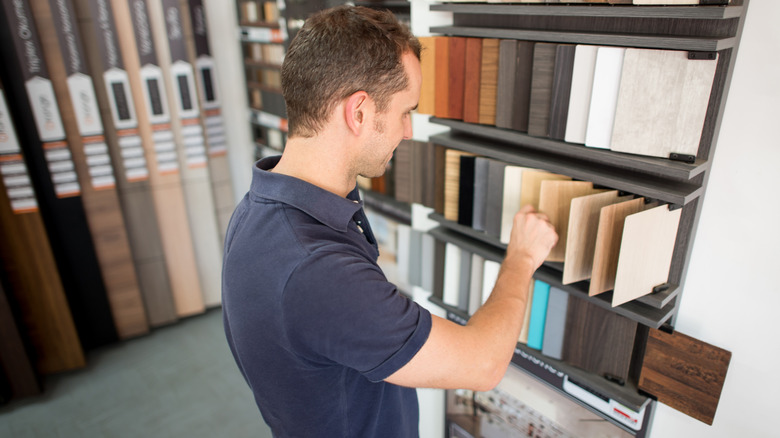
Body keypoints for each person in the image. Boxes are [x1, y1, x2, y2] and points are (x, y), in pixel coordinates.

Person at [221, 5, 558, 438]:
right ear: (358, 112)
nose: (409, 131)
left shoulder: (258, 209)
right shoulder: (315, 270)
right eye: (405, 112)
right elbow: (483, 365)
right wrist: (522, 259)